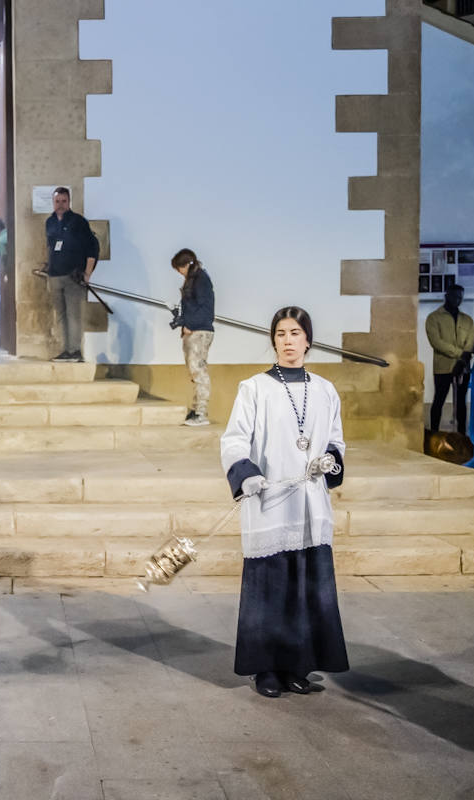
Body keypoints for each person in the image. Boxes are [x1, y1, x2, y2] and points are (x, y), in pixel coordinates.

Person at [221, 306, 349, 699]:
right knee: (270, 588)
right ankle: (266, 671)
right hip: (271, 502)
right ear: (273, 341)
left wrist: (331, 459)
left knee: (306, 588)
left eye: (295, 333)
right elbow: (234, 439)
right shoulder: (254, 388)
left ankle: (297, 666)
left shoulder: (325, 389)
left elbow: (336, 439)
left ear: (308, 339)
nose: (288, 340)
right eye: (280, 334)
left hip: (310, 503)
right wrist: (247, 473)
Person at [45, 187, 99, 363]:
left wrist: (87, 273)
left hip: (73, 275)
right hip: (55, 275)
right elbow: (51, 246)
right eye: (57, 201)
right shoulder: (50, 222)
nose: (60, 205)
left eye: (63, 201)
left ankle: (75, 350)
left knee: (73, 314)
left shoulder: (79, 222)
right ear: (53, 202)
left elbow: (92, 248)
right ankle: (64, 350)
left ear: (69, 202)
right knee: (59, 315)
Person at [171, 249, 215, 426]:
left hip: (200, 331)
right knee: (194, 371)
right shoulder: (194, 280)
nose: (179, 273)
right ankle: (196, 409)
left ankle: (201, 413)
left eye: (179, 268)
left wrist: (191, 324)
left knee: (199, 371)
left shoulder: (201, 280)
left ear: (185, 265)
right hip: (193, 330)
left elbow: (205, 308)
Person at [425, 284, 474, 433]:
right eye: (454, 296)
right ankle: (434, 433)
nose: (457, 300)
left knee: (461, 403)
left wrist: (463, 359)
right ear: (447, 296)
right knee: (439, 400)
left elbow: (470, 341)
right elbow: (436, 342)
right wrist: (460, 353)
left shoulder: (467, 320)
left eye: (460, 297)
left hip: (463, 367)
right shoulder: (433, 318)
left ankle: (461, 435)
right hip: (443, 367)